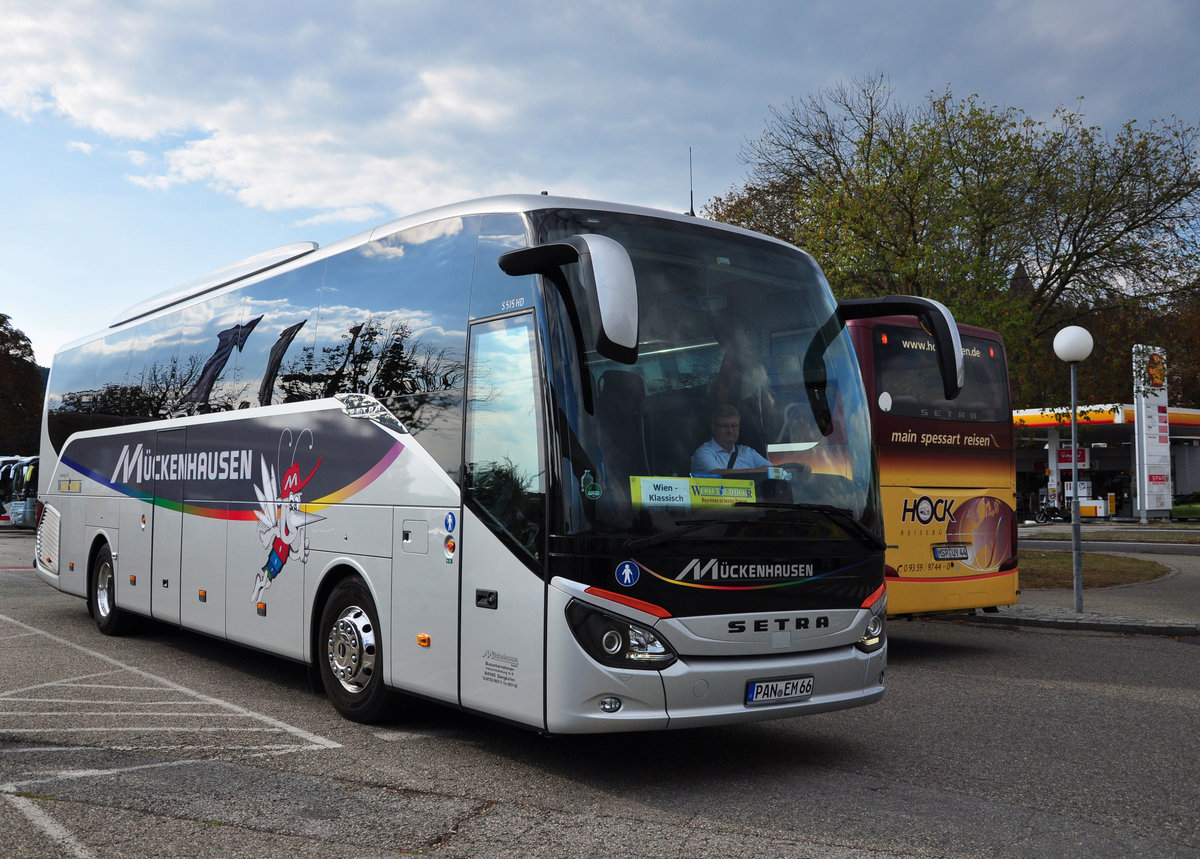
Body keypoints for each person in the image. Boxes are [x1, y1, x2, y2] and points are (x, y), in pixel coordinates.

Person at [691, 404, 774, 476]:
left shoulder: (747, 452)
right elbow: (717, 474)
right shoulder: (704, 452)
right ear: (713, 428)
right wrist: (758, 471)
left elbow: (774, 471)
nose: (730, 431)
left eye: (734, 426)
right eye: (724, 426)